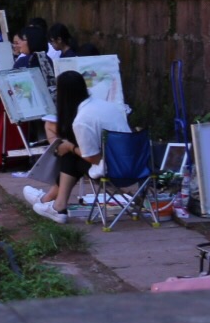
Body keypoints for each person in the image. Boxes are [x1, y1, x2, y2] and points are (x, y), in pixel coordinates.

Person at [25, 70, 131, 221]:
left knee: (70, 155)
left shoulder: (82, 120)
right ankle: (52, 202)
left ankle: (55, 204)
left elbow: (94, 158)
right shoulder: (105, 105)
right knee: (72, 151)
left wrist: (70, 147)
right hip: (132, 164)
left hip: (116, 170)